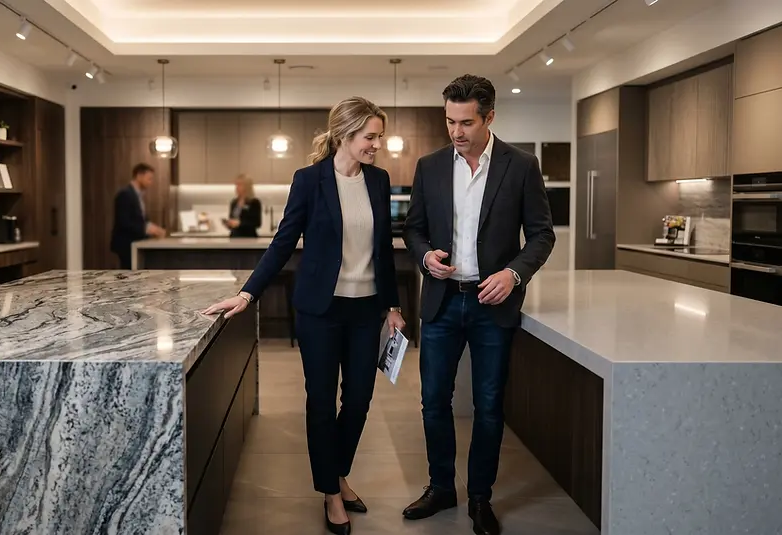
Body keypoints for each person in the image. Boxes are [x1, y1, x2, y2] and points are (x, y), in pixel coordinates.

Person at [202, 97, 406, 535]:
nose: (377, 145)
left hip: (366, 309)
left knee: (358, 401)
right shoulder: (309, 180)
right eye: (370, 137)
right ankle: (332, 493)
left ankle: (336, 472)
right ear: (346, 136)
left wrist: (392, 306)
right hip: (321, 310)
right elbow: (283, 242)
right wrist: (248, 292)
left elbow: (384, 250)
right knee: (320, 401)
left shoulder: (379, 179)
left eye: (379, 138)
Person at [401, 75, 555, 535]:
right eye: (449, 120)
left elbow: (542, 234)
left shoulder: (522, 165)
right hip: (443, 302)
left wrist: (514, 274)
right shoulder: (429, 166)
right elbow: (413, 229)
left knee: (488, 405)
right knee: (433, 402)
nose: (456, 131)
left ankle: (481, 497)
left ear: (489, 117)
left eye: (466, 122)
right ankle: (441, 487)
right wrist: (425, 256)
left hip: (493, 306)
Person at [110, 162, 166, 269]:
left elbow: (140, 219)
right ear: (139, 175)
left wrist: (154, 228)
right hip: (126, 244)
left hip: (135, 244)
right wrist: (147, 229)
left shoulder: (137, 195)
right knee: (128, 278)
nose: (151, 182)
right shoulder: (125, 194)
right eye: (149, 179)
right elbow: (124, 222)